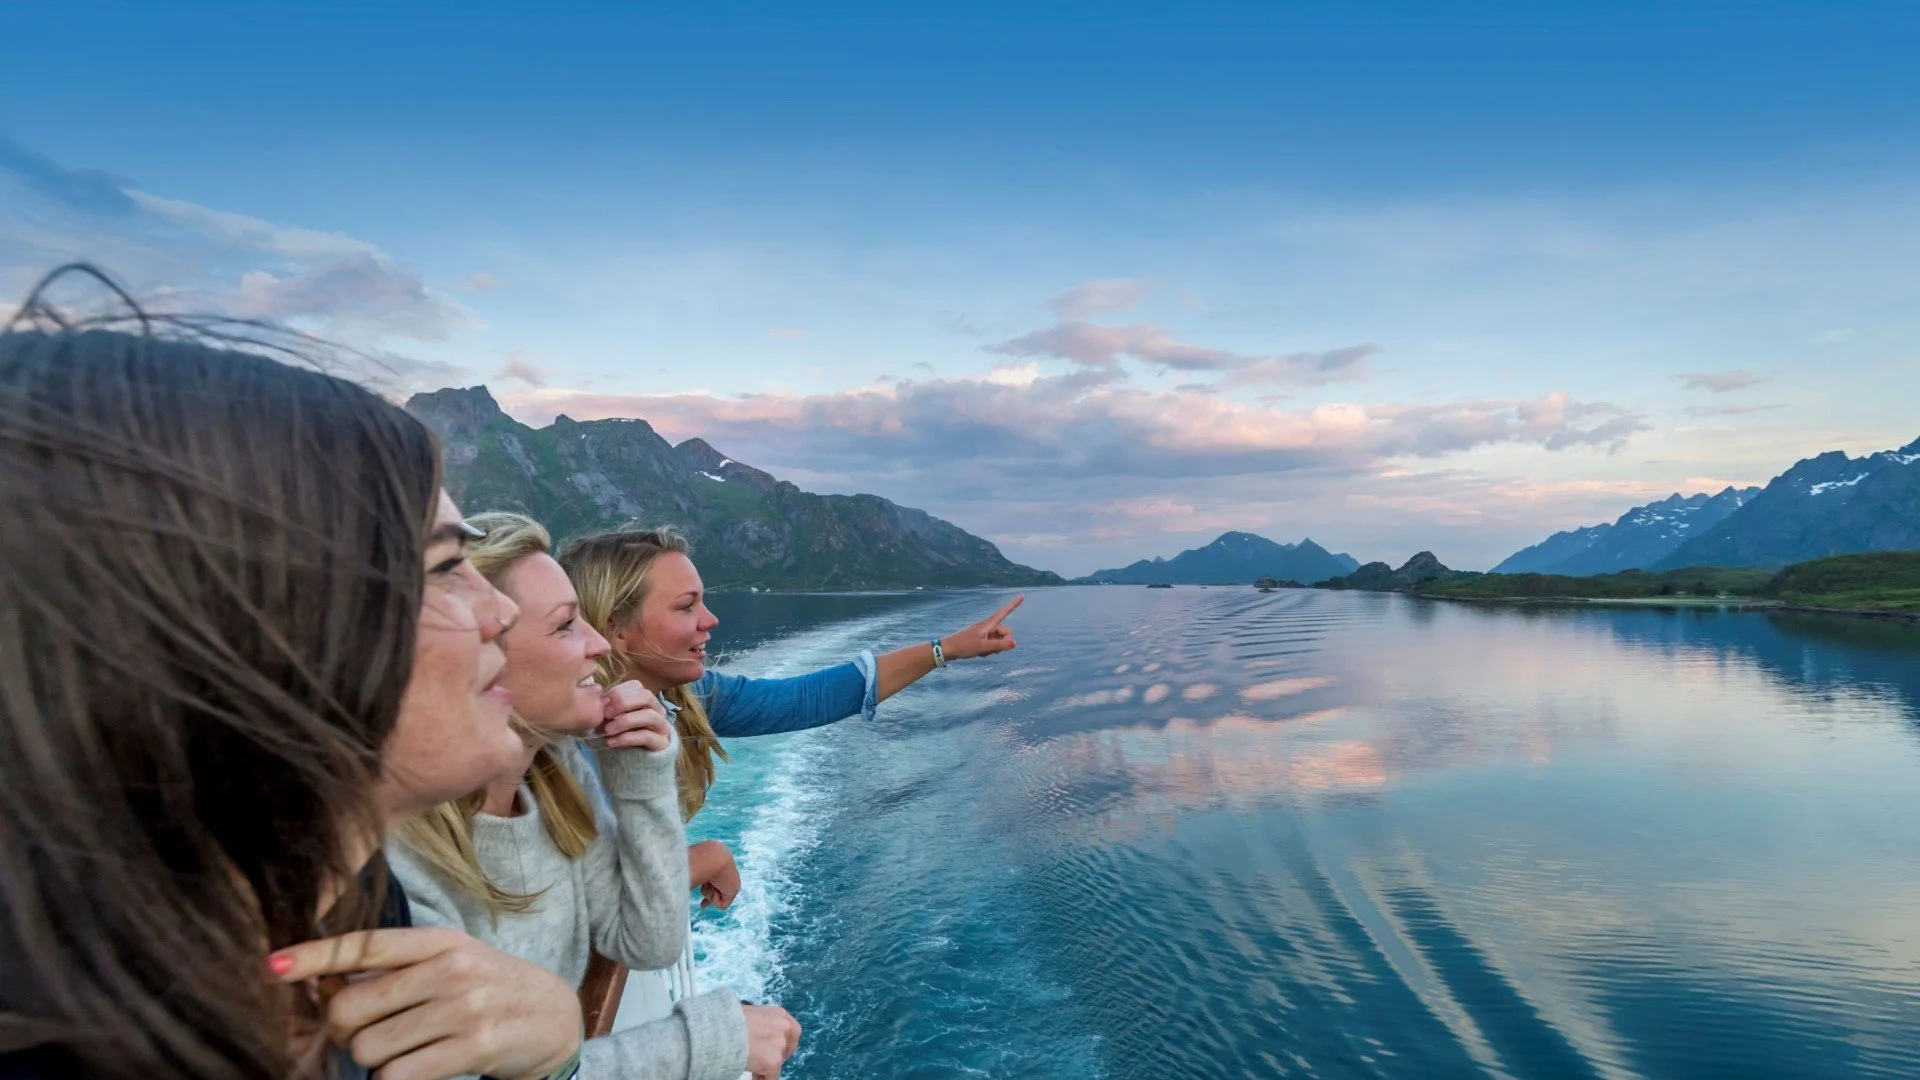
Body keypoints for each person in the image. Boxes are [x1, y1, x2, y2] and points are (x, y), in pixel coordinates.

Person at [0, 268, 582, 1080]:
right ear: (267, 631)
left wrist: (553, 1039)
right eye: (449, 565)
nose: (501, 613)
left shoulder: (343, 896)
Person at [386, 512, 801, 1080]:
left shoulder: (555, 780)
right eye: (565, 626)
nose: (600, 644)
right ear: (479, 655)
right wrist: (705, 1042)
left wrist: (642, 775)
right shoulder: (400, 871)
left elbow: (647, 941)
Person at [559, 526, 1024, 821]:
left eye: (703, 599)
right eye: (687, 606)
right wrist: (701, 861)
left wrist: (949, 648)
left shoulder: (690, 695)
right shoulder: (561, 746)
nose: (711, 619)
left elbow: (807, 698)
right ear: (616, 630)